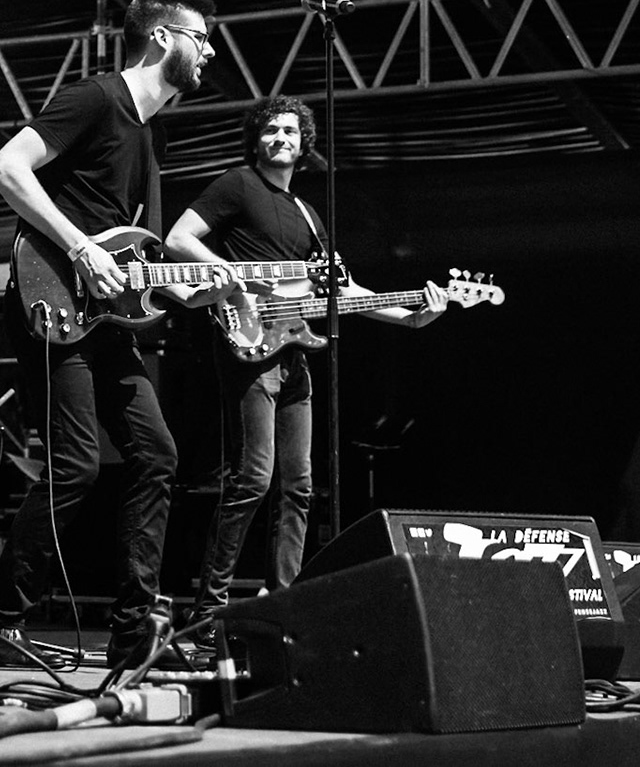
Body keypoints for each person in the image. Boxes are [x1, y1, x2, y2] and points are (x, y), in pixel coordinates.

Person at [0, 0, 229, 672]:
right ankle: (0, 622)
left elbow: (142, 265)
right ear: (163, 38)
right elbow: (5, 167)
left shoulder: (153, 135)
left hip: (109, 321)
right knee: (76, 467)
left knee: (158, 455)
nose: (210, 51)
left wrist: (201, 290)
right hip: (51, 306)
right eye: (201, 38)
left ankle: (134, 631)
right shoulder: (95, 98)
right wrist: (81, 247)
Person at [165, 94, 448, 645]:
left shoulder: (309, 216)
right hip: (249, 347)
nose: (280, 138)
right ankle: (208, 612)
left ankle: (285, 604)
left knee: (298, 485)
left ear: (304, 144)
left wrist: (413, 316)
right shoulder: (237, 184)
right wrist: (237, 280)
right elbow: (179, 239)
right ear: (256, 139)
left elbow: (346, 293)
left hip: (295, 357)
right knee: (253, 478)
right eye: (270, 129)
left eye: (290, 131)